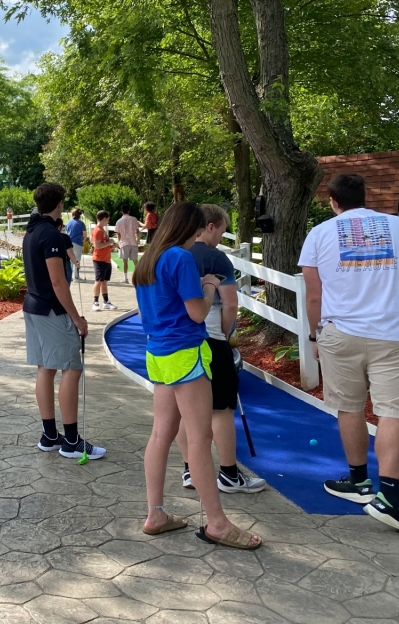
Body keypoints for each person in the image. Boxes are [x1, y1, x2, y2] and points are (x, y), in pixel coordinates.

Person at [300, 173, 399, 535]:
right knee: (393, 411)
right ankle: (389, 496)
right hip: (394, 333)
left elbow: (314, 295)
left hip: (340, 332)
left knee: (349, 407)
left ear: (333, 201)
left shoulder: (319, 235)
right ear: (365, 197)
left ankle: (359, 481)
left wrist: (314, 335)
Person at [135, 201, 262, 549]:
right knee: (200, 437)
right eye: (195, 233)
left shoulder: (148, 259)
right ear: (190, 228)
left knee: (161, 433)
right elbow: (197, 313)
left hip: (157, 353)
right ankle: (217, 524)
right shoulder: (180, 258)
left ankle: (155, 513)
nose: (196, 240)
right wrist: (208, 285)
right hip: (186, 352)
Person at [177, 204, 266, 494]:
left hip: (182, 342)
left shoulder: (175, 253)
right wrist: (227, 334)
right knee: (222, 409)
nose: (219, 238)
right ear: (210, 226)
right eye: (222, 231)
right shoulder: (216, 258)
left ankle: (191, 470)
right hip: (212, 338)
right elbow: (230, 303)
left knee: (186, 410)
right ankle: (228, 474)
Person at [24, 183, 106, 460]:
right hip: (51, 311)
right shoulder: (50, 234)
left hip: (33, 307)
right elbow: (58, 282)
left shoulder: (32, 231)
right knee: (72, 368)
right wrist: (77, 318)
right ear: (59, 204)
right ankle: (71, 441)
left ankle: (50, 435)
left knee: (46, 368)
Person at [91, 211, 117, 311]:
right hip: (99, 259)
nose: (108, 221)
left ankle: (106, 302)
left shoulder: (102, 230)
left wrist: (112, 246)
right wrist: (110, 242)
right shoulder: (97, 230)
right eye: (108, 219)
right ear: (104, 219)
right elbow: (97, 246)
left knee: (104, 281)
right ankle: (95, 302)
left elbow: (104, 245)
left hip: (106, 259)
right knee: (98, 281)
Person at [115, 204, 142, 284]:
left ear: (121, 211)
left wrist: (119, 242)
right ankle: (138, 278)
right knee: (135, 261)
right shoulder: (134, 219)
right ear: (129, 211)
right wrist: (138, 239)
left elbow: (118, 234)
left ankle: (125, 278)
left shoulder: (119, 221)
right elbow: (137, 231)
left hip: (124, 242)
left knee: (125, 261)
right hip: (133, 242)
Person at [65, 209, 87, 280]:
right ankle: (76, 276)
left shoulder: (68, 223)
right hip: (77, 243)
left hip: (68, 243)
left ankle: (69, 276)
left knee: (70, 259)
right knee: (77, 260)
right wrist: (82, 241)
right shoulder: (81, 223)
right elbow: (85, 235)